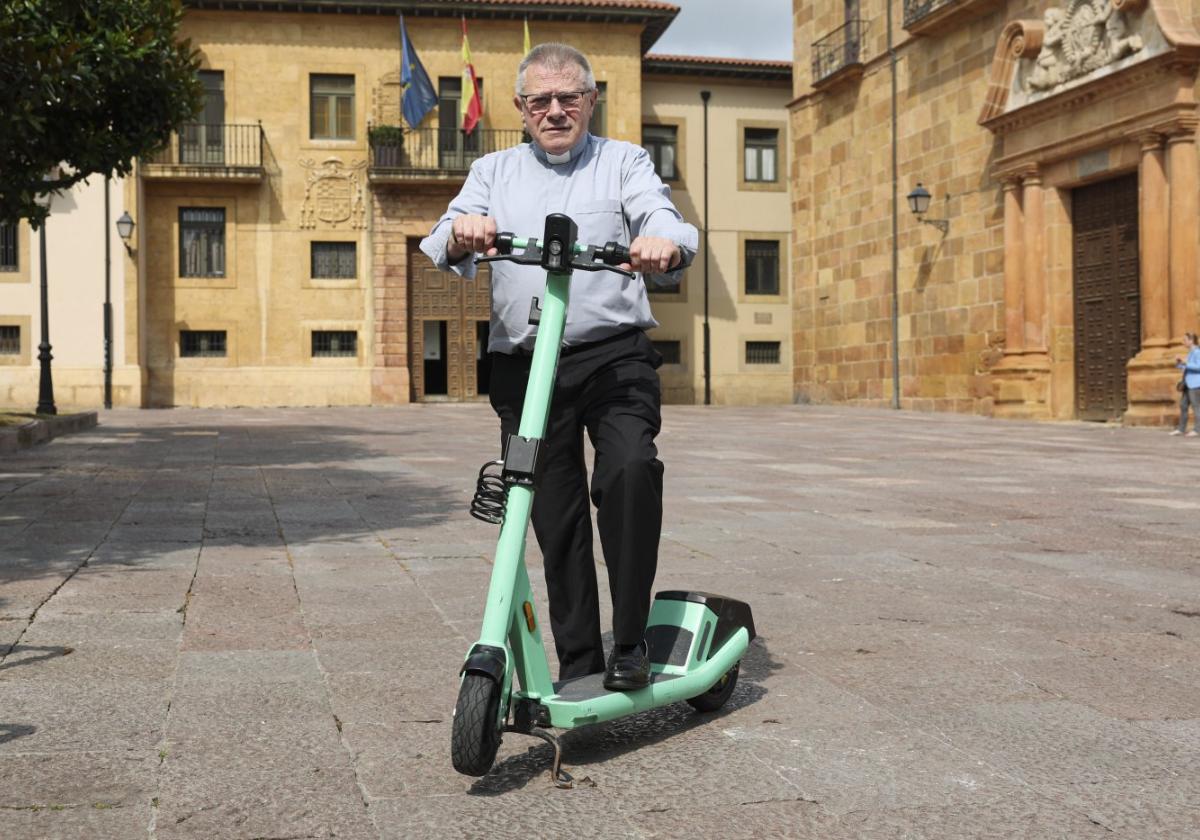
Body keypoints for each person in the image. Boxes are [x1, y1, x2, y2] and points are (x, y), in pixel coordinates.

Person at [419, 43, 697, 691]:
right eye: (539, 100)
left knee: (629, 471)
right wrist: (463, 232)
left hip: (614, 359)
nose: (554, 110)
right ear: (519, 109)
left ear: (591, 101)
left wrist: (662, 243)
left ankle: (630, 640)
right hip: (523, 366)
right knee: (552, 511)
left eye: (568, 97)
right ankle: (578, 661)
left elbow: (664, 219)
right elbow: (444, 234)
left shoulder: (624, 161)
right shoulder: (493, 170)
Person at [1172, 331, 1200, 437]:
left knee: (1196, 407)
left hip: (1195, 384)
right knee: (1183, 405)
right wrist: (1179, 363)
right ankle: (1181, 429)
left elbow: (1199, 366)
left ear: (1191, 340)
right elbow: (1186, 367)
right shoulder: (1191, 352)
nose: (1183, 342)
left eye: (1185, 340)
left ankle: (1197, 430)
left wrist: (1185, 362)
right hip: (1188, 384)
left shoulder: (1197, 352)